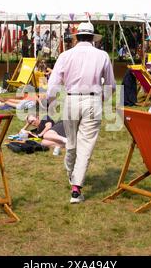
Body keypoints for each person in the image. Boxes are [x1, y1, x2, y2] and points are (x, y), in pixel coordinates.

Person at [47, 22, 116, 204]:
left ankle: (72, 175)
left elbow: (53, 83)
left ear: (77, 37)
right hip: (92, 100)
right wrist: (102, 100)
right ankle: (76, 187)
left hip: (71, 99)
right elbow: (110, 84)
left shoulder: (65, 55)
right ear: (93, 38)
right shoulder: (102, 55)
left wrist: (52, 102)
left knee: (72, 141)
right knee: (85, 145)